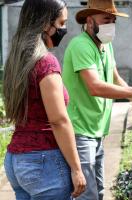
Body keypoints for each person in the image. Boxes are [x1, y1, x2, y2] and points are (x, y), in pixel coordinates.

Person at [62, 0, 132, 199]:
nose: (111, 24)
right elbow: (95, 87)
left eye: (113, 20)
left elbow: (115, 78)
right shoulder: (80, 46)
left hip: (98, 130)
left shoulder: (105, 46)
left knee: (98, 191)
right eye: (106, 19)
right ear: (90, 21)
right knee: (87, 194)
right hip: (79, 131)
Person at [3, 0, 86, 199]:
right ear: (44, 25)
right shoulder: (46, 63)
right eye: (61, 23)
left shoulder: (16, 60)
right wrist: (76, 169)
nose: (64, 29)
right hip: (44, 161)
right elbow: (58, 120)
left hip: (16, 161)